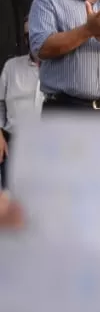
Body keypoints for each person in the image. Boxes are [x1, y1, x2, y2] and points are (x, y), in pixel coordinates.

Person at [0, 15, 41, 187]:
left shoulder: (64, 68)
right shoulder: (12, 67)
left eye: (35, 34)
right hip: (15, 147)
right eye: (27, 36)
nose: (31, 40)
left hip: (53, 148)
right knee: (13, 206)